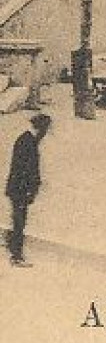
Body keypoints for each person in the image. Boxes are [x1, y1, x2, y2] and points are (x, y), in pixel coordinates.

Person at [6, 113, 50, 268]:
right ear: (41, 128)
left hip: (19, 190)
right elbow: (22, 169)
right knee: (19, 222)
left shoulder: (27, 140)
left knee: (18, 221)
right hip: (20, 191)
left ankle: (15, 251)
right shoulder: (27, 142)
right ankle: (16, 255)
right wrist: (28, 190)